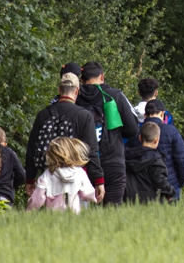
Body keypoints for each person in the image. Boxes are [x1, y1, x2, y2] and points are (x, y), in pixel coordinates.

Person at [25, 72, 104, 202]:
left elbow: (32, 150)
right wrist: (98, 180)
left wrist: (30, 178)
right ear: (77, 91)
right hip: (75, 178)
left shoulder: (43, 115)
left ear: (59, 89)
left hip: (48, 175)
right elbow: (91, 151)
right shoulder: (84, 116)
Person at [78, 62, 139, 205]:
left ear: (82, 79)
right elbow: (133, 128)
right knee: (112, 208)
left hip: (82, 162)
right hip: (112, 161)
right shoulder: (114, 95)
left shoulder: (75, 96)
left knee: (79, 211)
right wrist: (116, 134)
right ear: (102, 76)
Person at [27, 137, 97, 213]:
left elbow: (38, 198)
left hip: (53, 214)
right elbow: (87, 193)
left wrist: (29, 210)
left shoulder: (47, 174)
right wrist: (95, 198)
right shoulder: (79, 172)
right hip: (74, 214)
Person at [125, 123, 175, 203]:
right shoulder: (156, 160)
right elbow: (160, 182)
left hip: (128, 201)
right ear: (156, 140)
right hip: (150, 203)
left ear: (140, 138)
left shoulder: (127, 156)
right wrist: (170, 192)